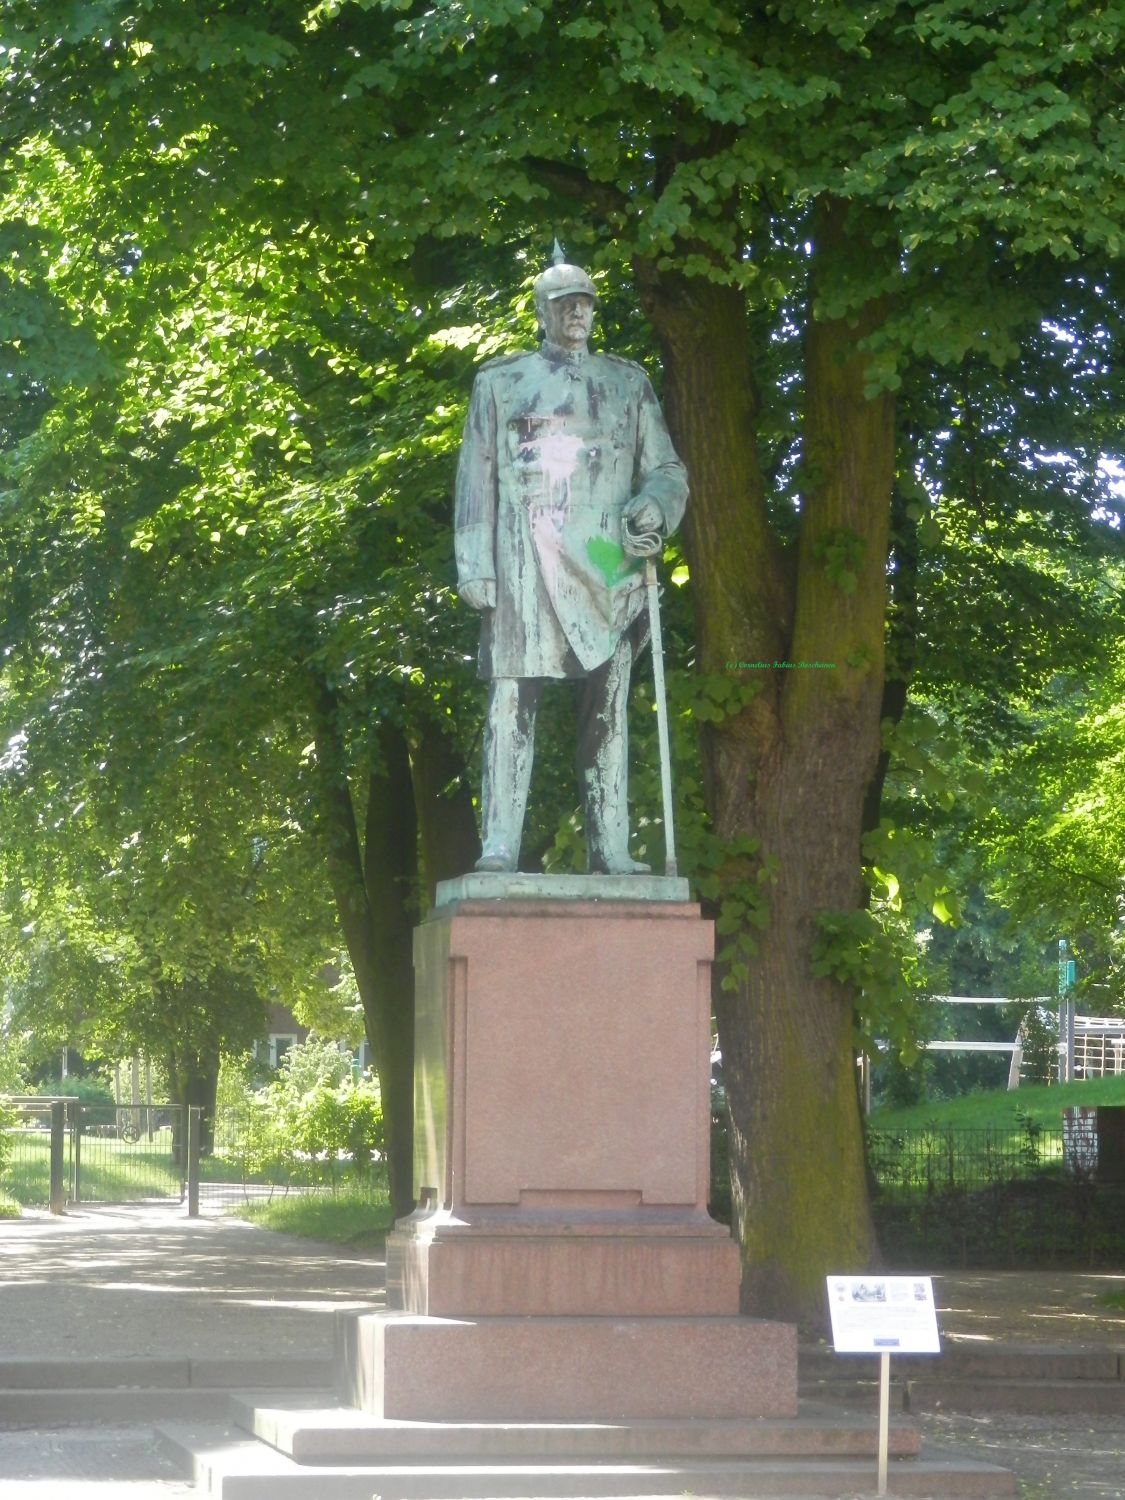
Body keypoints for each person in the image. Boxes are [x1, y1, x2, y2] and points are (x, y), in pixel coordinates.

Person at [454, 245, 688, 874]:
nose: (577, 313)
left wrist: (654, 509)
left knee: (608, 701)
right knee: (512, 700)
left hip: (607, 557)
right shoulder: (500, 383)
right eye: (564, 304)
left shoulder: (626, 382)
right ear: (542, 312)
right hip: (522, 553)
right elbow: (476, 478)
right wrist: (474, 563)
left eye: (584, 303)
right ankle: (498, 844)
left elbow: (666, 469)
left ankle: (610, 848)